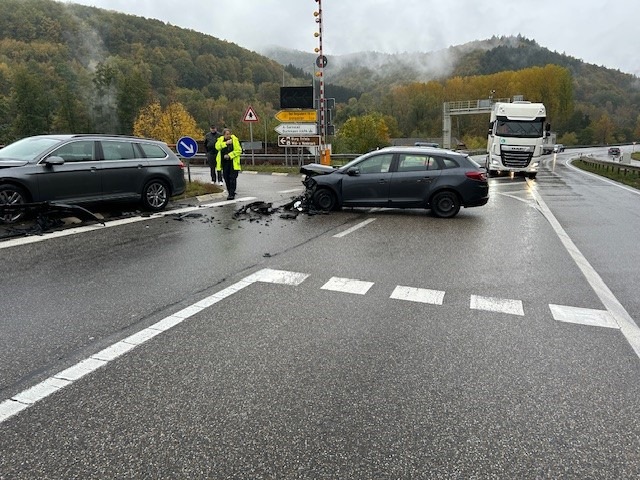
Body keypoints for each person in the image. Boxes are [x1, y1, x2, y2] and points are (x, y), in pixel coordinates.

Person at [215, 128, 242, 200]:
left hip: (233, 163)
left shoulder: (235, 140)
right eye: (227, 134)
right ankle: (229, 190)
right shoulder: (220, 140)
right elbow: (217, 147)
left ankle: (231, 193)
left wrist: (230, 155)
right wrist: (226, 143)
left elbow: (239, 150)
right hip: (224, 163)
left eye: (229, 134)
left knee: (232, 178)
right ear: (223, 135)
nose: (228, 135)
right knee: (226, 178)